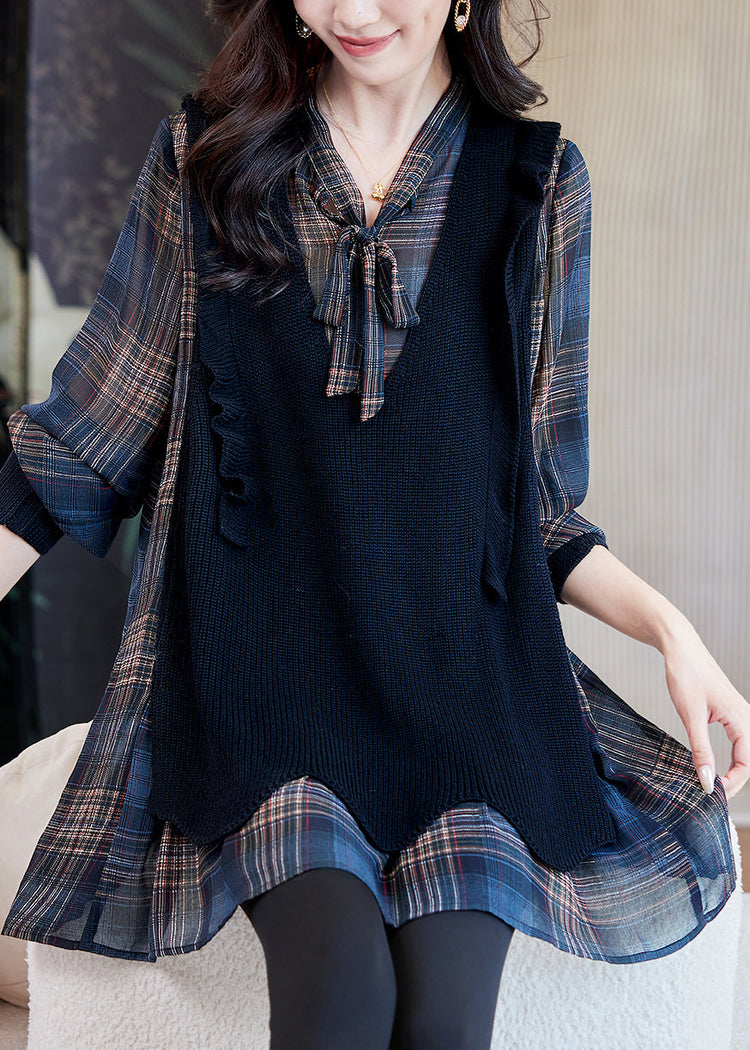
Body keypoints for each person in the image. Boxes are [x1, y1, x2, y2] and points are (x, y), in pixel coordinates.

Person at [0, 2, 748, 1048]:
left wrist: (673, 632)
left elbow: (537, 509)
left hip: (467, 696)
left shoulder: (537, 184)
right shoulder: (207, 163)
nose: (352, 10)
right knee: (341, 994)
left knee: (443, 1019)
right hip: (261, 689)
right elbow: (87, 439)